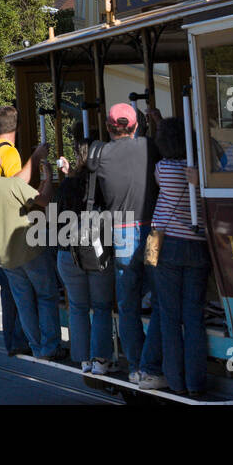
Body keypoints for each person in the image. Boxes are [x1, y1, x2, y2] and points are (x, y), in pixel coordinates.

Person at [0, 139, 64, 360]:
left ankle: (36, 346)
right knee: (46, 296)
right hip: (30, 250)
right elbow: (43, 200)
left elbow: (18, 200)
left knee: (24, 303)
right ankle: (51, 347)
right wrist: (49, 176)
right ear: (0, 162)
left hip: (6, 257)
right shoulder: (12, 184)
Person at [89, 102, 159, 383]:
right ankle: (154, 364)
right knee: (159, 298)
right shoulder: (150, 147)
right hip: (154, 233)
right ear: (135, 125)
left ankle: (136, 366)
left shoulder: (101, 154)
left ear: (109, 127)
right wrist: (159, 121)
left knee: (127, 305)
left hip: (122, 234)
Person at [140, 117, 209, 397]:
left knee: (167, 313)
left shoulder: (161, 168)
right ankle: (195, 382)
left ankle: (173, 380)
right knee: (193, 316)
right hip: (195, 241)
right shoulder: (200, 172)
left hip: (158, 239)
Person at [54, 138, 116, 374]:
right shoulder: (105, 183)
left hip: (68, 254)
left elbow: (56, 218)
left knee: (78, 307)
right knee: (101, 307)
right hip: (98, 252)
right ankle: (101, 360)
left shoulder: (68, 185)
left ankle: (83, 359)